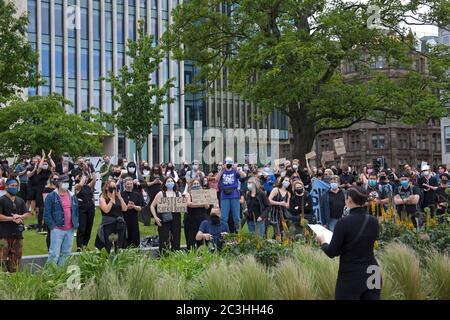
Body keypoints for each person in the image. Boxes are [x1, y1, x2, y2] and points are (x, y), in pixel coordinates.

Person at [316, 187, 381, 300]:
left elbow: (332, 252)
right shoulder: (374, 221)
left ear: (349, 199)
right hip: (373, 271)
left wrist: (323, 242)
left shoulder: (343, 223)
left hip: (351, 274)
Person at [44, 175, 79, 266]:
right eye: (64, 182)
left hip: (70, 229)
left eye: (68, 182)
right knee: (54, 254)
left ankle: (60, 274)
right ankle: (49, 276)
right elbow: (47, 213)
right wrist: (52, 227)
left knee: (66, 254)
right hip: (57, 229)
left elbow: (76, 211)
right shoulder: (51, 196)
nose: (66, 184)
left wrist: (75, 224)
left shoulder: (72, 195)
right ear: (59, 183)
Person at [0, 178, 33, 272]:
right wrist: (11, 218)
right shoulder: (2, 200)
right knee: (2, 259)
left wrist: (20, 216)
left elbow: (27, 213)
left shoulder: (20, 200)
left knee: (16, 261)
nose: (14, 188)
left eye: (16, 186)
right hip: (3, 236)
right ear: (6, 187)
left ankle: (13, 280)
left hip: (18, 236)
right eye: (12, 186)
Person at [150, 177, 183, 253]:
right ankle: (163, 255)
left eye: (172, 181)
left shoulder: (178, 193)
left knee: (176, 237)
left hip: (176, 217)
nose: (170, 182)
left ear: (174, 183)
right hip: (164, 217)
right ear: (164, 183)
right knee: (164, 237)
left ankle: (176, 254)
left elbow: (181, 206)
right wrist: (155, 217)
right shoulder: (161, 194)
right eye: (168, 181)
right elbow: (152, 206)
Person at [95, 181, 128, 253]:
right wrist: (112, 200)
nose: (113, 189)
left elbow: (125, 209)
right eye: (112, 187)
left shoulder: (118, 198)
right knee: (107, 246)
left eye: (115, 187)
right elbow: (106, 210)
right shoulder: (103, 198)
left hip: (119, 224)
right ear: (107, 188)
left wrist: (120, 198)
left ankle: (118, 259)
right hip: (108, 224)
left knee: (119, 245)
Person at [216, 157, 246, 232]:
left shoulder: (235, 171)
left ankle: (238, 232)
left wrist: (236, 169)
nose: (228, 165)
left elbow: (244, 175)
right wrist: (222, 170)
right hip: (225, 195)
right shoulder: (222, 171)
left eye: (230, 163)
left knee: (236, 217)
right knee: (224, 217)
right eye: (227, 163)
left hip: (234, 195)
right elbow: (216, 179)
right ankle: (223, 232)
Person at [73, 170, 96, 251]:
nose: (85, 179)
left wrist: (92, 169)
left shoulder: (88, 186)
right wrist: (84, 174)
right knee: (82, 228)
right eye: (83, 178)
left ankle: (84, 245)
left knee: (88, 229)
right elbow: (80, 184)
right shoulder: (78, 186)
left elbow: (94, 179)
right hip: (82, 209)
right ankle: (79, 246)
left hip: (90, 208)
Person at [184, 178, 209, 250]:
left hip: (202, 218)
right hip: (192, 219)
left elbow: (207, 206)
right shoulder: (188, 194)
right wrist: (201, 204)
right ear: (191, 185)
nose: (196, 185)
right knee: (191, 238)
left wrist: (201, 204)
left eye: (197, 184)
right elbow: (188, 204)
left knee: (200, 238)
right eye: (194, 184)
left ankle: (200, 253)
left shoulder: (203, 193)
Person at [121, 177, 144, 248]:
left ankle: (135, 248)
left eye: (131, 184)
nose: (129, 185)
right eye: (128, 184)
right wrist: (127, 207)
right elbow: (119, 208)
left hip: (134, 218)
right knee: (125, 234)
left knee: (134, 235)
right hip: (124, 217)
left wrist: (133, 206)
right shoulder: (121, 194)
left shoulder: (137, 194)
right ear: (124, 184)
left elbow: (140, 208)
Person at [268, 176, 291, 240]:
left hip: (283, 214)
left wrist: (286, 205)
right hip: (275, 214)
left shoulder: (288, 193)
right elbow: (269, 200)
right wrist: (280, 203)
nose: (287, 182)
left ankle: (276, 242)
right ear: (282, 181)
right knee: (277, 231)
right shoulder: (276, 190)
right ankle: (276, 242)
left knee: (282, 231)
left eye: (288, 181)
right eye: (286, 180)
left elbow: (288, 205)